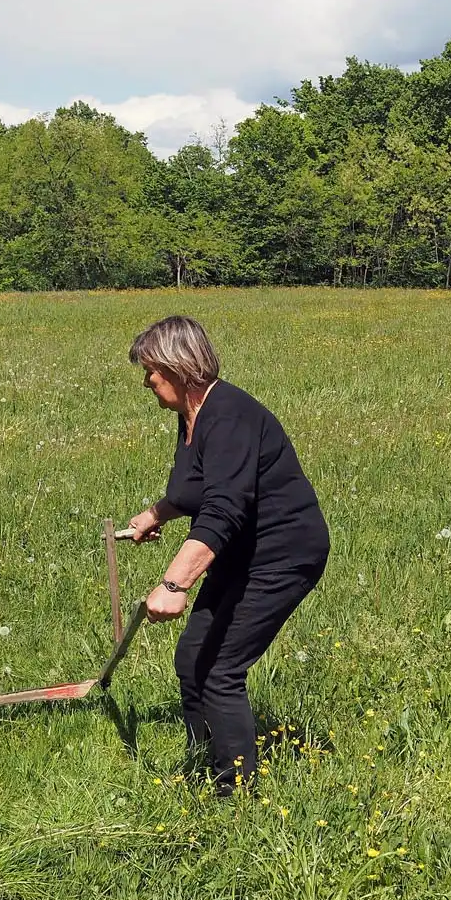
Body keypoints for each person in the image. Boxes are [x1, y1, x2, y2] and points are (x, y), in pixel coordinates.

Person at [124, 316, 329, 794]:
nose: (146, 381)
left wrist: (174, 584)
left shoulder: (230, 416)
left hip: (282, 553)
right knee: (192, 656)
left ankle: (235, 791)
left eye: (151, 370)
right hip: (241, 550)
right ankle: (204, 762)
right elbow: (201, 487)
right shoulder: (192, 414)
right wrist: (156, 513)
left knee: (220, 670)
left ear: (177, 368)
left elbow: (224, 508)